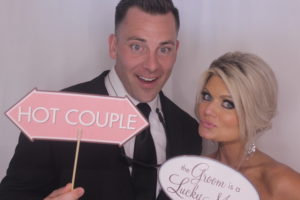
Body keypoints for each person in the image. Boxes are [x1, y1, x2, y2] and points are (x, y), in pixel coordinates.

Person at [0, 0, 202, 200]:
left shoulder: (190, 131)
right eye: (137, 47)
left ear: (176, 50)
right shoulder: (53, 115)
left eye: (164, 49)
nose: (152, 65)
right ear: (113, 46)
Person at [195, 51, 300, 199]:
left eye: (227, 103)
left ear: (253, 112)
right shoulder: (194, 171)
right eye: (207, 96)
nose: (208, 110)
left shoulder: (280, 182)